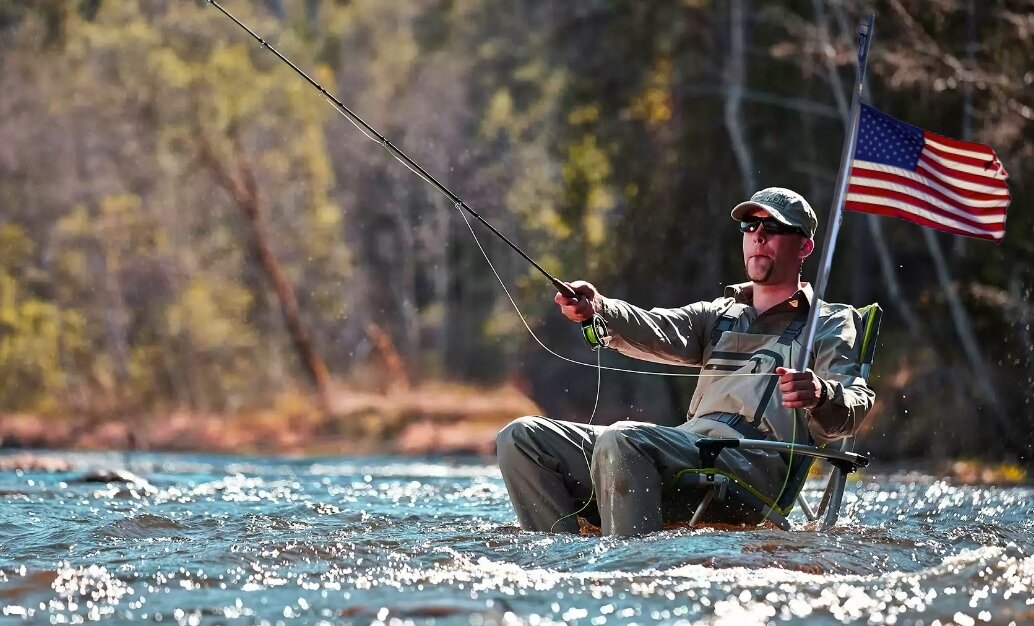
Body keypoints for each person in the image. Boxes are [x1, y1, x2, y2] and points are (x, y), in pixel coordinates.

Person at [496, 187, 875, 536]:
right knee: (522, 437)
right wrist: (598, 307)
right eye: (750, 224)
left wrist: (821, 393)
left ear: (805, 247)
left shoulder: (829, 322)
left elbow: (855, 401)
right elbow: (654, 326)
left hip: (747, 470)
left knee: (623, 437)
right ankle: (562, 570)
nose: (759, 235)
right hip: (689, 449)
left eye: (774, 227)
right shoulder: (718, 315)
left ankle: (625, 572)